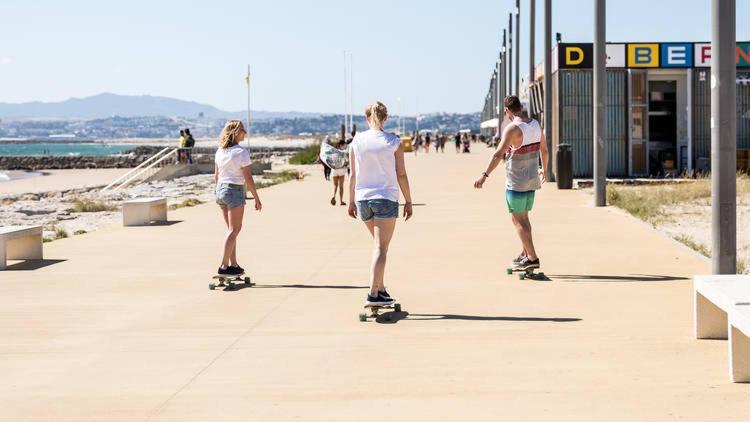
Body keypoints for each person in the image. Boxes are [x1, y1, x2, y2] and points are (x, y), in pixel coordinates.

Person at [348, 101, 414, 306]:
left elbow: (353, 175)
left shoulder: (356, 142)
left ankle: (382, 289)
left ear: (367, 118)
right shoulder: (393, 142)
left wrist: (350, 202)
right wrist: (409, 201)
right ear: (385, 118)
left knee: (378, 246)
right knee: (381, 247)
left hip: (362, 200)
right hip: (385, 198)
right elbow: (401, 174)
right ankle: (373, 293)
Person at [473, 95, 549, 271]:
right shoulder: (536, 124)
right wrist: (545, 170)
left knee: (517, 220)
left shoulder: (512, 128)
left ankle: (532, 257)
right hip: (532, 180)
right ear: (521, 107)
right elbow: (544, 150)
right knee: (525, 218)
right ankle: (525, 254)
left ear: (507, 111)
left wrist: (484, 175)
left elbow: (498, 154)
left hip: (516, 181)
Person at [214, 120, 262, 278]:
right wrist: (256, 198)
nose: (245, 133)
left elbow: (216, 176)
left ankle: (233, 265)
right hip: (234, 191)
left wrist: (219, 192)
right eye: (242, 130)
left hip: (221, 190)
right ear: (234, 132)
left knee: (230, 231)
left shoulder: (220, 151)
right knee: (234, 230)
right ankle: (223, 266)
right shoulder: (241, 152)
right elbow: (248, 178)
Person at [330, 140, 348, 206]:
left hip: (334, 170)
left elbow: (330, 161)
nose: (345, 146)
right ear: (341, 145)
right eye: (344, 145)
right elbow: (347, 161)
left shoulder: (333, 152)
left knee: (335, 185)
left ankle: (333, 196)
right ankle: (341, 201)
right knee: (341, 186)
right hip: (341, 170)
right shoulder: (343, 152)